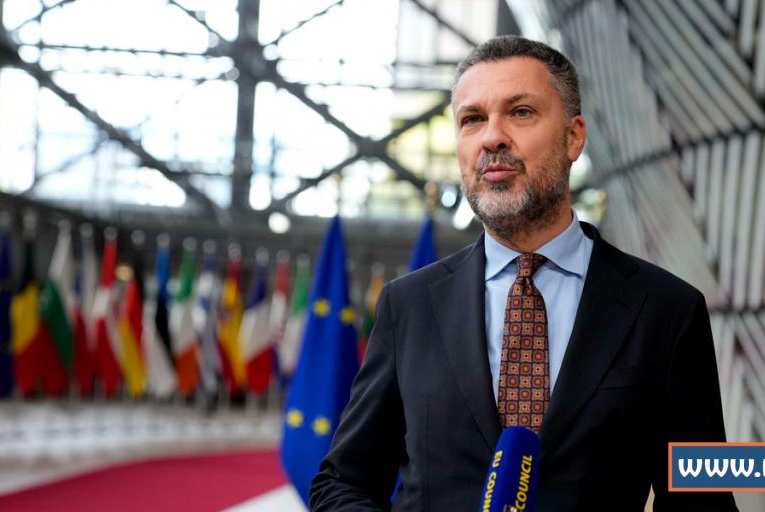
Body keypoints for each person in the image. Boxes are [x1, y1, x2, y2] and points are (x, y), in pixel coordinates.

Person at [310, 35, 738, 511]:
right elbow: (342, 483)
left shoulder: (667, 310)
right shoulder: (408, 305)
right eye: (472, 119)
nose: (492, 137)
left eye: (520, 112)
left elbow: (705, 501)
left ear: (573, 136)